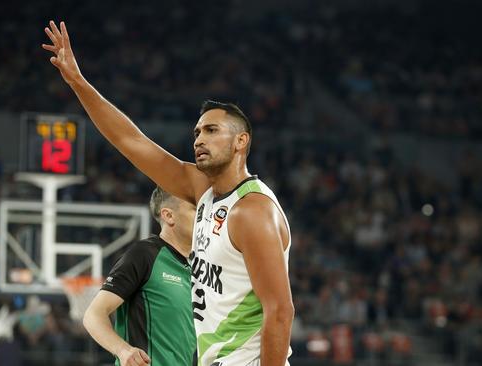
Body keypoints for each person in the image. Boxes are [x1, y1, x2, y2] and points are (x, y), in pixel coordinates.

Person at [44, 20, 294, 366]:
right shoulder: (202, 190)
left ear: (241, 142)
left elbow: (280, 312)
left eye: (211, 130)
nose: (199, 139)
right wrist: (77, 82)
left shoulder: (251, 210)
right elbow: (130, 141)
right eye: (196, 132)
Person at [83, 187, 196, 366]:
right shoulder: (144, 255)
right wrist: (123, 350)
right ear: (168, 216)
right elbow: (93, 315)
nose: (205, 216)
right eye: (195, 209)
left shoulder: (202, 267)